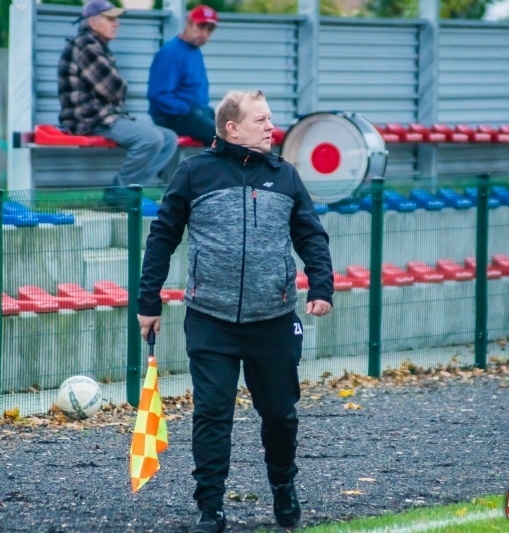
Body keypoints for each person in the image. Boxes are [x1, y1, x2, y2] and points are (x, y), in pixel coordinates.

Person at [137, 90, 334, 533]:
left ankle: (284, 487)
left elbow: (311, 237)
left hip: (274, 321)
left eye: (270, 119)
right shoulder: (193, 173)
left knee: (281, 415)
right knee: (212, 413)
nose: (271, 127)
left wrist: (322, 285)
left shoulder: (286, 177)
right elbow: (162, 237)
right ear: (232, 128)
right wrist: (147, 301)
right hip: (210, 319)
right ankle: (211, 508)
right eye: (261, 120)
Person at [58, 0, 178, 190]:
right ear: (93, 22)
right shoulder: (86, 45)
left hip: (106, 116)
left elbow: (114, 90)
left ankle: (131, 189)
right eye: (110, 19)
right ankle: (118, 193)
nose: (117, 23)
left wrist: (119, 88)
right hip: (89, 119)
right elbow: (115, 89)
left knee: (169, 138)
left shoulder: (97, 45)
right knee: (151, 139)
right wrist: (120, 87)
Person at [147, 5, 219, 146]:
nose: (204, 34)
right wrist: (187, 110)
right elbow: (158, 95)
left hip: (197, 112)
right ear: (189, 23)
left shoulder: (194, 51)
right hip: (173, 117)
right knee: (226, 139)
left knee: (238, 130)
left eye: (209, 30)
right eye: (201, 27)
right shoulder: (171, 52)